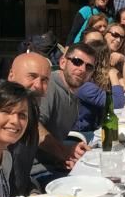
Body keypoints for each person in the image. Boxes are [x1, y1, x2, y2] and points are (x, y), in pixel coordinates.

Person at [35, 43, 96, 173]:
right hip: (37, 171)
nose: (83, 69)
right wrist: (64, 152)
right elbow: (34, 126)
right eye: (77, 62)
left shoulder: (73, 92)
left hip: (56, 163)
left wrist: (71, 151)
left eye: (89, 67)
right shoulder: (50, 86)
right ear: (63, 62)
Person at [7, 51, 52, 196]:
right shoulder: (1, 122)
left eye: (44, 80)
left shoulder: (32, 115)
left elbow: (21, 176)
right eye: (32, 76)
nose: (38, 85)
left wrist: (33, 192)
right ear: (11, 76)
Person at [74, 39, 125, 135]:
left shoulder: (95, 80)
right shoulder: (85, 86)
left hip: (93, 127)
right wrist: (113, 74)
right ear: (102, 62)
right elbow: (118, 103)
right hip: (83, 133)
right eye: (108, 58)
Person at [104, 23, 125, 89]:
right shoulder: (96, 56)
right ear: (104, 34)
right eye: (115, 35)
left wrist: (124, 60)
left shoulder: (117, 57)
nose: (118, 40)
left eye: (122, 38)